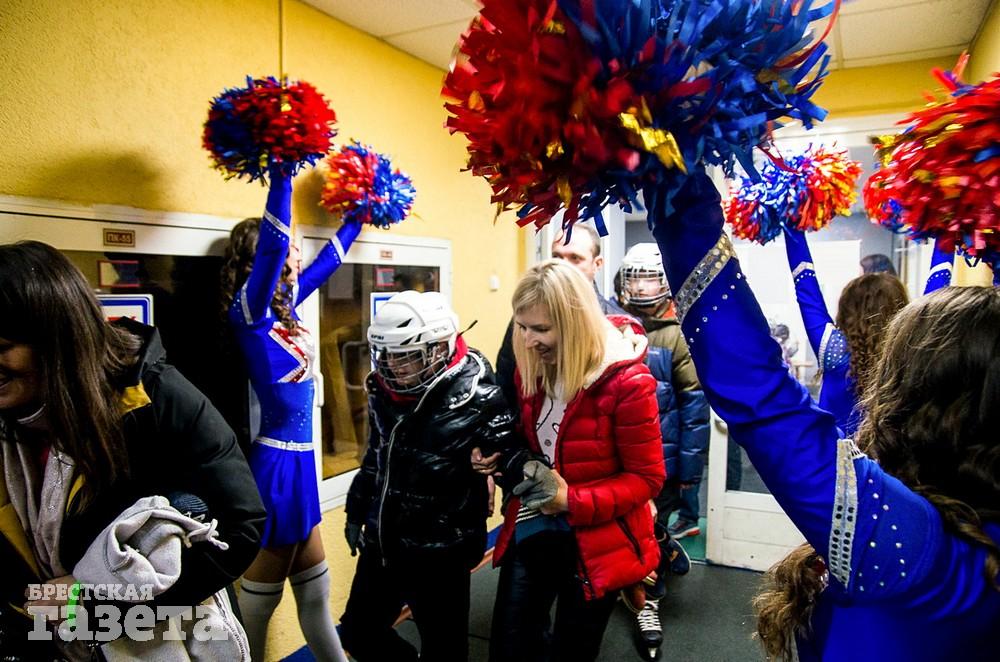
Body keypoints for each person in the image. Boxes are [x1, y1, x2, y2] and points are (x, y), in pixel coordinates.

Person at [651, 171, 1000, 661]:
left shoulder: (917, 548)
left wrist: (676, 188)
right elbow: (940, 281)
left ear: (915, 386)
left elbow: (760, 391)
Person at [0, 241, 265, 659]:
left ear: (57, 338)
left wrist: (95, 605)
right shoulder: (10, 419)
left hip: (158, 642)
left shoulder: (156, 400)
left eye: (1, 349)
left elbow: (240, 527)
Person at [486, 259, 665, 662]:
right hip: (533, 527)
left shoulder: (627, 383)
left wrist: (572, 501)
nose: (528, 340)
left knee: (573, 651)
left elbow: (647, 479)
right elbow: (522, 438)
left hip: (598, 541)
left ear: (573, 323)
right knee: (509, 648)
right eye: (522, 326)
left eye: (541, 329)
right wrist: (502, 458)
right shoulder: (531, 364)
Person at [221, 170, 361, 662]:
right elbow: (272, 249)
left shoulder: (288, 310)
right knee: (255, 617)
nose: (297, 253)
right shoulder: (250, 314)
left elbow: (328, 263)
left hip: (303, 469)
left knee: (316, 600)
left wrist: (360, 215)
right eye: (291, 247)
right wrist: (282, 174)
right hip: (276, 470)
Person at [339, 290, 516, 661]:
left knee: (445, 651)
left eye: (407, 356)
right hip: (384, 543)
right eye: (387, 354)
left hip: (441, 555)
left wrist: (500, 465)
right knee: (358, 633)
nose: (393, 366)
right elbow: (377, 454)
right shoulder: (384, 389)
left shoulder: (479, 394)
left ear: (438, 349)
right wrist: (357, 510)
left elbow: (511, 462)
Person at [616, 243, 709, 657]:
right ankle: (637, 582)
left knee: (649, 535)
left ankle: (649, 601)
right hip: (621, 459)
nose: (641, 286)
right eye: (634, 277)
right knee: (628, 530)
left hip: (662, 462)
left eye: (650, 278)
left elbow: (693, 408)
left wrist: (690, 471)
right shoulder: (612, 324)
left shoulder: (677, 333)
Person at [782, 226, 908, 437]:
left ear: (847, 310)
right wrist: (949, 232)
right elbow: (939, 283)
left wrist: (792, 225)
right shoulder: (910, 348)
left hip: (837, 463)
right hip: (891, 463)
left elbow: (806, 287)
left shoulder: (834, 349)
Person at [495, 224, 626, 408]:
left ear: (597, 264)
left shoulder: (617, 326)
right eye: (557, 256)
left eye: (575, 258)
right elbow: (506, 384)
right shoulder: (527, 319)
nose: (563, 265)